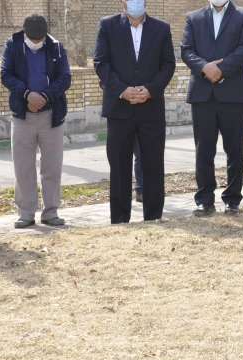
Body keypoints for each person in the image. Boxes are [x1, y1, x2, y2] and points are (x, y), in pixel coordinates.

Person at [94, 0, 176, 224]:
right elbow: (101, 63)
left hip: (151, 108)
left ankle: (153, 217)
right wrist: (122, 90)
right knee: (119, 166)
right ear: (122, 2)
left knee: (153, 164)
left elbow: (168, 64)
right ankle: (120, 219)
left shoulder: (161, 28)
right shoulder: (108, 25)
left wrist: (150, 90)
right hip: (120, 108)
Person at [181, 0, 243, 216]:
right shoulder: (193, 17)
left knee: (234, 149)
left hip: (232, 94)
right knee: (203, 150)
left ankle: (232, 199)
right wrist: (204, 68)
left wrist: (220, 69)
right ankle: (204, 199)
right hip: (202, 95)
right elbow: (186, 50)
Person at [1, 14, 72, 229]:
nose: (36, 42)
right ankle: (26, 213)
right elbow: (6, 74)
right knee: (23, 167)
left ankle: (50, 212)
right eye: (32, 39)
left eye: (40, 39)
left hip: (52, 116)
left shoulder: (56, 47)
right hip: (23, 115)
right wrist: (27, 95)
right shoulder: (12, 45)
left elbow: (65, 78)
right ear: (24, 33)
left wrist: (45, 97)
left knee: (52, 167)